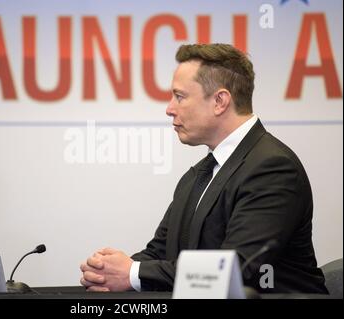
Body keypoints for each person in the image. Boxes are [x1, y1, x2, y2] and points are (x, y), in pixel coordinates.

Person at [80, 43, 328, 294]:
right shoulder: (198, 175)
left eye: (180, 97)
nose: (169, 109)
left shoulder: (273, 168)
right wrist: (107, 272)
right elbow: (160, 252)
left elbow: (236, 268)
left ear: (220, 101)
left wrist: (132, 273)